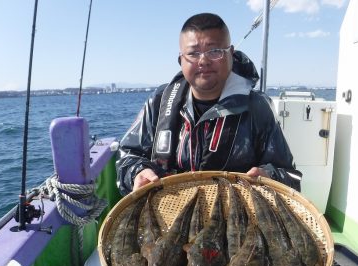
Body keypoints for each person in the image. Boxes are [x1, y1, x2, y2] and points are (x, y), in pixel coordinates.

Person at [116, 13, 301, 194]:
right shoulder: (159, 101)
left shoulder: (258, 108)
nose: (203, 61)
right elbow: (128, 156)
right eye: (193, 53)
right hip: (170, 212)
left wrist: (268, 177)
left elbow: (291, 177)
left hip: (237, 217)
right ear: (180, 59)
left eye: (214, 51)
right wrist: (137, 172)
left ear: (231, 54)